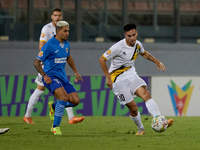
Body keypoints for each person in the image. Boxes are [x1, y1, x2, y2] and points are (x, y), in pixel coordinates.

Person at [99, 23, 173, 135]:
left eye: (134, 34)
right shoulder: (117, 47)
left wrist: (157, 62)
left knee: (146, 94)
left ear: (136, 33)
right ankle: (140, 129)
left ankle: (159, 120)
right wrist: (108, 78)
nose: (132, 38)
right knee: (133, 108)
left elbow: (144, 54)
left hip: (131, 75)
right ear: (125, 35)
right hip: (118, 79)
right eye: (129, 35)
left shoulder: (138, 45)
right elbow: (101, 59)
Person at [23, 8, 84, 124]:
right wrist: (48, 58)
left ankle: (70, 117)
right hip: (46, 66)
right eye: (55, 15)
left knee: (64, 94)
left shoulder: (64, 33)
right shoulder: (46, 29)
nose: (57, 17)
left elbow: (67, 55)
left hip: (58, 70)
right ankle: (27, 115)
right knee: (39, 90)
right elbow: (42, 48)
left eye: (59, 15)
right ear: (52, 16)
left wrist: (75, 71)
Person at [34, 21, 83, 135]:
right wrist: (44, 76)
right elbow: (36, 62)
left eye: (68, 31)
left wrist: (75, 72)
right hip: (50, 78)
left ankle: (54, 106)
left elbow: (68, 57)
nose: (67, 33)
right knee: (63, 97)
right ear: (58, 31)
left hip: (62, 78)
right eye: (65, 31)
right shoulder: (49, 45)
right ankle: (55, 127)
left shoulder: (66, 44)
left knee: (75, 101)